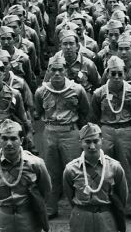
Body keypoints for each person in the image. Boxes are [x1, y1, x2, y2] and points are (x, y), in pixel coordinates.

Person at [33, 52, 90, 219]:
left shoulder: (77, 89)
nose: (57, 73)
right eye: (53, 70)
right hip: (50, 132)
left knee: (75, 170)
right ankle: (51, 207)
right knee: (51, 172)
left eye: (60, 70)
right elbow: (39, 110)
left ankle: (78, 204)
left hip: (70, 132)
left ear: (66, 70)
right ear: (49, 71)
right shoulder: (41, 91)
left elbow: (85, 110)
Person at [90, 55, 131, 220]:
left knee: (128, 170)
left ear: (125, 73)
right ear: (107, 73)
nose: (117, 77)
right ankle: (104, 204)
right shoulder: (99, 93)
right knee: (104, 168)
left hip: (126, 130)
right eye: (113, 73)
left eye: (120, 73)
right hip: (106, 130)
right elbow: (95, 115)